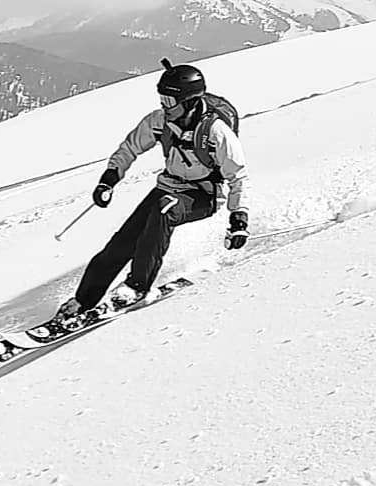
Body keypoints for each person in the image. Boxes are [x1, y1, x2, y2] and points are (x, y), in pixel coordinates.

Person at [56, 61, 249, 321]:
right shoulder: (159, 121)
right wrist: (109, 180)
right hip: (168, 188)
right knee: (121, 243)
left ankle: (136, 286)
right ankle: (83, 301)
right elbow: (129, 149)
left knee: (164, 209)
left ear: (190, 102)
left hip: (204, 195)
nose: (164, 105)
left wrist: (239, 218)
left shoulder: (215, 131)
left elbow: (237, 176)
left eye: (169, 100)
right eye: (162, 98)